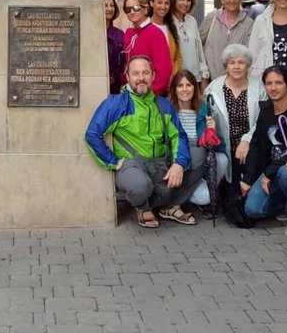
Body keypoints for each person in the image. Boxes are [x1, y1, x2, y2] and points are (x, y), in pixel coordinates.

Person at [85, 55, 206, 229]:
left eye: (145, 73)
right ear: (127, 77)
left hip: (160, 163)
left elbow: (178, 135)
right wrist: (113, 161)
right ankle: (143, 207)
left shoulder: (163, 104)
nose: (141, 78)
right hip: (133, 165)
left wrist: (179, 163)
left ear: (153, 76)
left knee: (198, 154)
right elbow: (92, 134)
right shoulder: (116, 104)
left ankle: (170, 205)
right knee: (140, 186)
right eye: (135, 73)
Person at [240, 65, 287, 235]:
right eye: (269, 83)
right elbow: (257, 145)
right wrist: (248, 179)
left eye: (279, 83)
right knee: (253, 210)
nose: (273, 88)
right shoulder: (266, 111)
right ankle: (285, 203)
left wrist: (268, 174)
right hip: (271, 171)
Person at [201, 44, 257, 190]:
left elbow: (263, 120)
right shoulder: (213, 89)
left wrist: (247, 139)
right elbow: (204, 117)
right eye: (232, 62)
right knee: (229, 192)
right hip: (223, 148)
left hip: (251, 149)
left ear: (248, 66)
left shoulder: (259, 89)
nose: (236, 67)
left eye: (241, 62)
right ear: (226, 67)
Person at [168, 70, 217, 205]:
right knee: (197, 152)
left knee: (221, 159)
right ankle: (174, 199)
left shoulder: (202, 109)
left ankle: (182, 194)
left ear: (195, 88)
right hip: (174, 160)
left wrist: (213, 131)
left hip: (196, 166)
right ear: (174, 89)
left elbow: (217, 147)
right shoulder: (167, 109)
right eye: (180, 85)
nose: (185, 89)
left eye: (188, 85)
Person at [122, 0, 173, 95]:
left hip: (150, 94)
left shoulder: (155, 33)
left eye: (136, 8)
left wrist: (152, 93)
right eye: (128, 9)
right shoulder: (128, 33)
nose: (131, 12)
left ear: (145, 10)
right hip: (131, 92)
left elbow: (164, 69)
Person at [200, 0, 254, 81]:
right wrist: (204, 77)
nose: (231, 0)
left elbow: (249, 54)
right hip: (211, 79)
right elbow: (198, 47)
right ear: (222, 0)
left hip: (237, 81)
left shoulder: (248, 23)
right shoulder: (212, 18)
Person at [171, 0, 210, 88]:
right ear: (174, 0)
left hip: (195, 79)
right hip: (176, 80)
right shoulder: (168, 22)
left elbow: (199, 51)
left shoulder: (192, 21)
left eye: (188, 0)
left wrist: (204, 75)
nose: (185, 3)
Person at [147, 0, 184, 77]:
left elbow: (178, 57)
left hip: (170, 81)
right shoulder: (144, 27)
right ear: (151, 3)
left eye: (166, 3)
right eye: (159, 2)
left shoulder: (171, 27)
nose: (163, 7)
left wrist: (171, 76)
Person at [97, 0, 126, 94]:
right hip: (94, 85)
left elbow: (123, 61)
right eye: (105, 5)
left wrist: (115, 75)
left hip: (114, 87)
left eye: (112, 5)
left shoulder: (120, 34)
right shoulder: (90, 33)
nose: (109, 9)